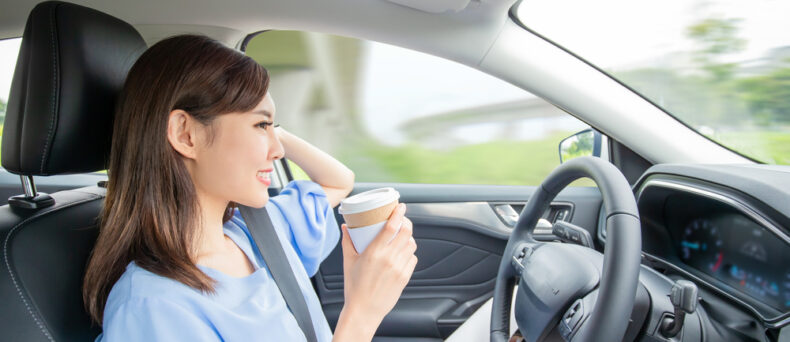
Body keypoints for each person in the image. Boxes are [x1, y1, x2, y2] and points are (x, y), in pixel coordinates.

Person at [82, 34, 418, 342]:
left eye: (273, 128)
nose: (278, 150)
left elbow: (339, 181)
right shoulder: (151, 308)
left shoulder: (260, 230)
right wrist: (360, 316)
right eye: (260, 125)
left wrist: (272, 128)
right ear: (186, 134)